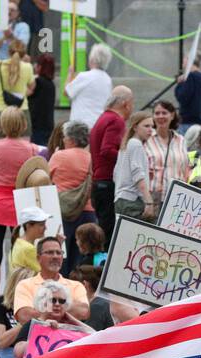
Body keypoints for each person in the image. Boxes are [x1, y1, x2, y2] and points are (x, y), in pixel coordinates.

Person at [0, 107, 41, 296]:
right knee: (19, 255)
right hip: (20, 204)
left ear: (3, 125)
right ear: (23, 125)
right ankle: (17, 297)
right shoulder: (31, 148)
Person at [50, 120, 95, 273]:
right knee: (81, 259)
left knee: (60, 254)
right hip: (87, 210)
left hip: (63, 210)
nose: (63, 139)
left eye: (65, 137)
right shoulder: (91, 158)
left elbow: (45, 178)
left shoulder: (59, 156)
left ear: (72, 139)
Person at [89, 86, 134, 242]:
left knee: (103, 229)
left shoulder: (103, 118)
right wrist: (129, 160)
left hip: (99, 182)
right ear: (126, 104)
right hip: (108, 182)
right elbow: (107, 150)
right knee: (109, 234)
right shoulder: (116, 121)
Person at [144, 100, 189, 211]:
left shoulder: (181, 140)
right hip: (152, 199)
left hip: (176, 199)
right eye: (157, 113)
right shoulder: (146, 139)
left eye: (164, 113)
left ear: (172, 115)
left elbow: (185, 169)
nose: (160, 116)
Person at [112, 111, 156, 221]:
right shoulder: (136, 144)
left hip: (121, 199)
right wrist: (149, 202)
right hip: (133, 200)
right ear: (135, 127)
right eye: (146, 126)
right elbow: (138, 176)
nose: (150, 129)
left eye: (152, 126)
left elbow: (115, 174)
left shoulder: (125, 146)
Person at [0, 38, 35, 115]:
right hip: (21, 111)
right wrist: (20, 93)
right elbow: (31, 88)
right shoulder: (28, 67)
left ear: (8, 52)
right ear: (24, 53)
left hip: (0, 110)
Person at [65, 43, 113, 129]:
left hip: (80, 125)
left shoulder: (84, 76)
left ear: (92, 59)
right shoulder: (107, 79)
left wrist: (69, 74)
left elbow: (66, 92)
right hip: (99, 124)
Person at [175, 53, 201, 132]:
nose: (182, 62)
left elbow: (182, 97)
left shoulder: (191, 77)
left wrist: (179, 84)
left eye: (184, 60)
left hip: (188, 120)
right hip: (200, 119)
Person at [28, 54, 57, 147]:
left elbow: (24, 93)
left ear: (40, 67)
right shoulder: (51, 84)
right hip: (49, 125)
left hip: (37, 126)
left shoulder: (37, 82)